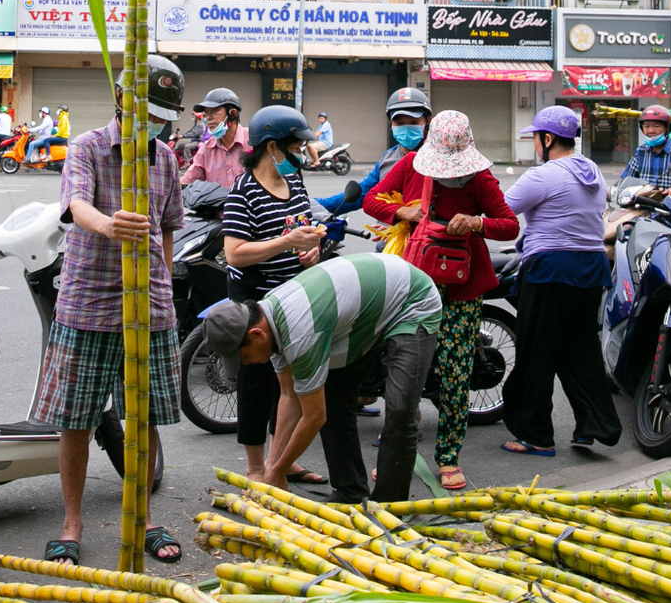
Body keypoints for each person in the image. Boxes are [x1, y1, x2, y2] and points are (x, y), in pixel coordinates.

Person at [34, 54, 189, 567]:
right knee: (76, 419)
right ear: (122, 98)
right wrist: (108, 224)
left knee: (143, 418)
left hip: (147, 307)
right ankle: (71, 524)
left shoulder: (165, 159)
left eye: (163, 117)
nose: (154, 125)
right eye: (148, 110)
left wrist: (162, 282)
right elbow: (76, 206)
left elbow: (169, 227)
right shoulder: (87, 148)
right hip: (87, 302)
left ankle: (143, 518)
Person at [197, 252, 442, 503]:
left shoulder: (299, 332)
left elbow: (313, 417)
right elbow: (288, 395)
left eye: (244, 358)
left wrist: (280, 470)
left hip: (411, 302)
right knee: (334, 397)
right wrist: (272, 466)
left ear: (257, 334)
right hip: (365, 310)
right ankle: (350, 493)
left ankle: (389, 507)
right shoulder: (269, 320)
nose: (247, 364)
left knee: (401, 409)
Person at [362, 111, 515, 491]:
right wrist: (402, 211)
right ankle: (398, 452)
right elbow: (371, 200)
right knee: (403, 370)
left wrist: (478, 223)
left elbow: (509, 224)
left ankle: (448, 457)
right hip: (414, 285)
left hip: (462, 289)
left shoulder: (480, 179)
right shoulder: (412, 165)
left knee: (455, 373)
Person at [218, 104, 330, 485]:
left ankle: (282, 458)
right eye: (295, 147)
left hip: (293, 299)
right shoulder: (243, 191)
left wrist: (312, 250)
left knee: (293, 383)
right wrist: (286, 243)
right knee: (257, 384)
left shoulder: (295, 183)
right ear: (271, 147)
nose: (300, 154)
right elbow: (234, 251)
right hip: (256, 301)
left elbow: (302, 229)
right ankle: (254, 465)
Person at [500, 106, 619, 455]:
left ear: (548, 139)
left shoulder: (544, 175)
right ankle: (594, 426)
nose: (535, 144)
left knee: (536, 351)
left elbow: (502, 212)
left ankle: (536, 435)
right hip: (591, 269)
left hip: (551, 269)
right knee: (580, 350)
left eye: (536, 137)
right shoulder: (592, 171)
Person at [318, 86, 429, 217]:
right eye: (399, 123)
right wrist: (314, 205)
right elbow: (364, 195)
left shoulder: (439, 158)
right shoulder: (388, 158)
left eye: (413, 122)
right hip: (389, 236)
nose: (406, 128)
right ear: (390, 124)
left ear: (428, 121)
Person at [618, 104, 671, 199]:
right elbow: (626, 179)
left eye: (656, 126)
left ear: (667, 128)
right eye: (646, 126)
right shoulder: (640, 151)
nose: (651, 131)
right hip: (643, 206)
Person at [181, 87, 248, 189]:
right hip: (217, 205)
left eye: (214, 111)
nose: (208, 117)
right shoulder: (207, 148)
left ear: (232, 113)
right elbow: (187, 180)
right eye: (206, 113)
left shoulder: (253, 140)